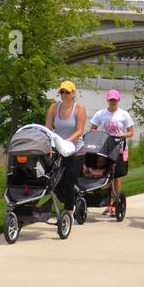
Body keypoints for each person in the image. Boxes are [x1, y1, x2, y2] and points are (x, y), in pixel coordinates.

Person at [45, 80, 88, 212]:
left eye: (67, 92)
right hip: (59, 150)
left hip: (76, 151)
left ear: (73, 93)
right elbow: (47, 128)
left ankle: (69, 211)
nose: (64, 95)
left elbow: (80, 130)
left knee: (69, 183)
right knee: (55, 185)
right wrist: (51, 141)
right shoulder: (53, 107)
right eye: (62, 92)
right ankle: (71, 201)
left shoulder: (79, 108)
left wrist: (66, 142)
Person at [90, 89, 133, 213]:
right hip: (105, 148)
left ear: (119, 100)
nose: (113, 102)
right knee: (106, 176)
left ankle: (114, 203)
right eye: (111, 99)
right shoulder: (101, 114)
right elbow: (92, 129)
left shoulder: (124, 114)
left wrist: (122, 134)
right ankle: (109, 202)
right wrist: (100, 136)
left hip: (119, 148)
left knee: (116, 177)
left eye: (115, 99)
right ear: (107, 100)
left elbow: (131, 132)